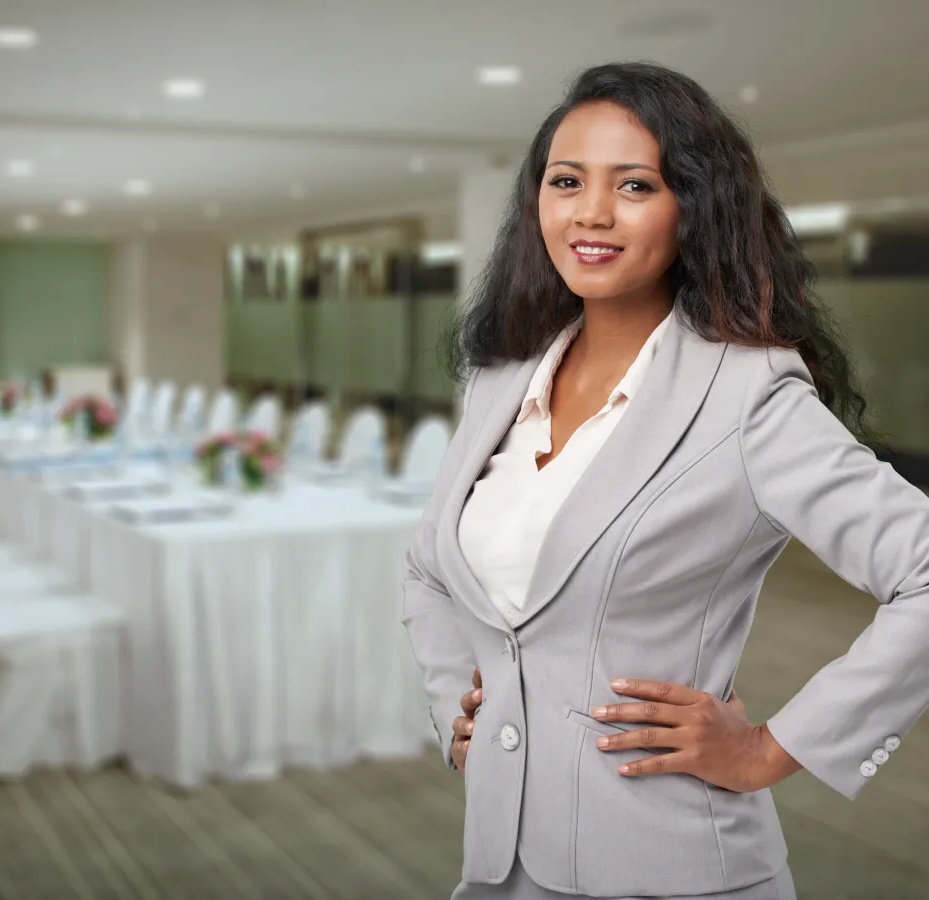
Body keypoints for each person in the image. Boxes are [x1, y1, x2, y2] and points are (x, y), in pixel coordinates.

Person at [402, 61, 929, 900]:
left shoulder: (751, 394)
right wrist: (454, 703)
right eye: (566, 180)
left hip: (673, 866)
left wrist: (769, 747)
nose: (591, 212)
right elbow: (429, 568)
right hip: (500, 866)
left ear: (696, 206)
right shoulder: (504, 380)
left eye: (636, 184)